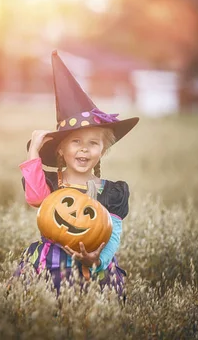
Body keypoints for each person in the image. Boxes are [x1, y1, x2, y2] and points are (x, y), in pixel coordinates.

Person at [14, 51, 138, 299]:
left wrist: (97, 260)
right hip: (49, 264)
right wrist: (34, 151)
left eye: (93, 143)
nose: (84, 148)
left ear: (103, 150)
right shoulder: (51, 184)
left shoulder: (112, 192)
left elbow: (113, 234)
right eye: (76, 142)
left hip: (95, 267)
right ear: (61, 149)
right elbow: (36, 198)